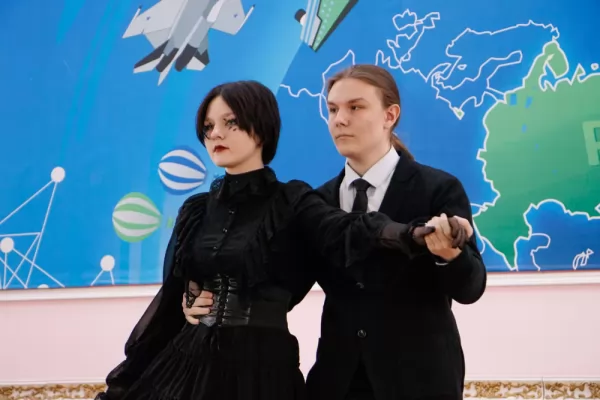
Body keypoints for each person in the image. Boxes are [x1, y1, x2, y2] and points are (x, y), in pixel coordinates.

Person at [95, 80, 470, 400]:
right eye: (208, 126)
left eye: (230, 122)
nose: (216, 134)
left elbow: (351, 230)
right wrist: (188, 304)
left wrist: (413, 233)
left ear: (261, 127)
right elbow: (169, 304)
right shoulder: (195, 210)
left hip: (264, 370)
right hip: (192, 364)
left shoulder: (294, 201)